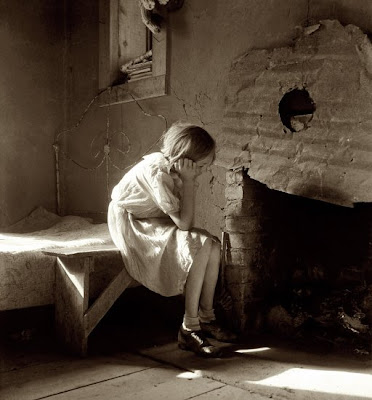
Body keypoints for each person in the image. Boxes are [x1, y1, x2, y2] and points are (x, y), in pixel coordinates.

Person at [108, 122, 236, 357]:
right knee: (199, 244)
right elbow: (185, 224)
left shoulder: (173, 169)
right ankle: (189, 327)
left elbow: (184, 223)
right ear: (187, 160)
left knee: (212, 244)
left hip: (153, 218)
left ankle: (207, 317)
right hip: (134, 223)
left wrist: (187, 180)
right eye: (203, 166)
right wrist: (189, 182)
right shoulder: (159, 174)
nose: (204, 171)